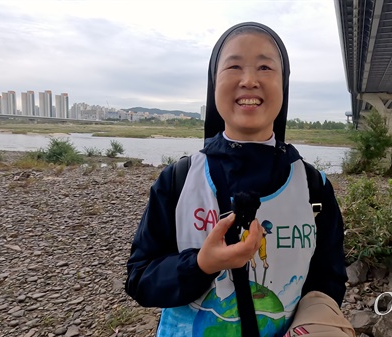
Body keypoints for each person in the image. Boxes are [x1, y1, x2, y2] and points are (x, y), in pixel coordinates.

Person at [125, 22, 353, 337]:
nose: (249, 80)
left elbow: (328, 280)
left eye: (264, 67)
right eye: (233, 66)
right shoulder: (178, 180)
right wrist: (200, 265)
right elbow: (140, 279)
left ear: (283, 85)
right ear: (213, 83)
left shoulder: (313, 187)